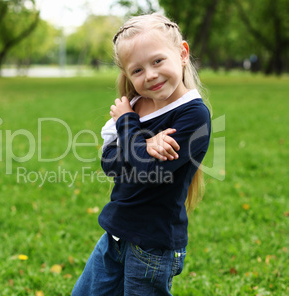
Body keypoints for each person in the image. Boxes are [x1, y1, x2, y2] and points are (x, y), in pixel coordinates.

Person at [72, 13, 211, 296]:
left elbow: (148, 171)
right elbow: (110, 163)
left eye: (158, 61)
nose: (150, 75)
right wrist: (145, 144)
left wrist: (128, 125)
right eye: (137, 70)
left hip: (152, 245)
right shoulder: (137, 104)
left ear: (182, 53)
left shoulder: (193, 115)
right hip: (116, 233)